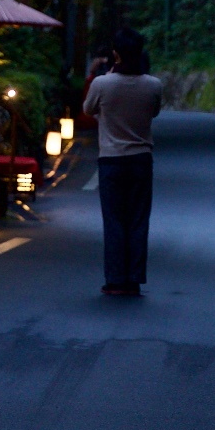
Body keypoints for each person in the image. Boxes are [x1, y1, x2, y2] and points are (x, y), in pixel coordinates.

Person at [82, 25, 163, 297]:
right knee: (138, 220)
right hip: (141, 160)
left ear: (115, 54)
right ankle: (134, 278)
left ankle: (115, 278)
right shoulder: (153, 85)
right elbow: (154, 112)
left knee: (114, 221)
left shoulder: (102, 84)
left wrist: (104, 73)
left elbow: (87, 109)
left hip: (112, 160)